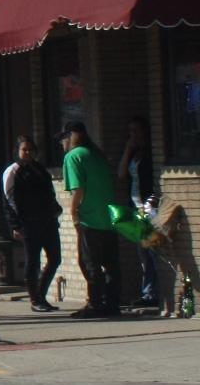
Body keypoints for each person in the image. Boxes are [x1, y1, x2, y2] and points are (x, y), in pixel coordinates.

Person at [60, 121, 121, 318]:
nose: (62, 143)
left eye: (63, 138)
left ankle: (95, 304)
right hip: (109, 218)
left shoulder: (73, 157)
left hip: (89, 220)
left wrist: (74, 213)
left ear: (71, 136)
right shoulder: (97, 154)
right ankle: (112, 304)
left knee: (89, 263)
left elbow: (78, 189)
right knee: (111, 264)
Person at [2, 136, 61, 312]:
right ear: (18, 151)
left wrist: (55, 210)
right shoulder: (13, 171)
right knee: (32, 261)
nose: (27, 153)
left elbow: (49, 193)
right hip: (28, 223)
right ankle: (35, 299)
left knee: (55, 258)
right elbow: (8, 200)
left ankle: (41, 294)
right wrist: (15, 225)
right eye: (24, 150)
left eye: (30, 149)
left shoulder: (40, 169)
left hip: (48, 222)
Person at [117, 116, 158, 309]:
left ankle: (153, 292)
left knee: (152, 250)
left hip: (148, 207)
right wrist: (128, 149)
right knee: (142, 251)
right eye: (130, 132)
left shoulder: (151, 153)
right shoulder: (134, 154)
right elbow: (121, 174)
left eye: (136, 131)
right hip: (135, 206)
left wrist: (149, 205)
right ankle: (148, 291)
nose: (133, 135)